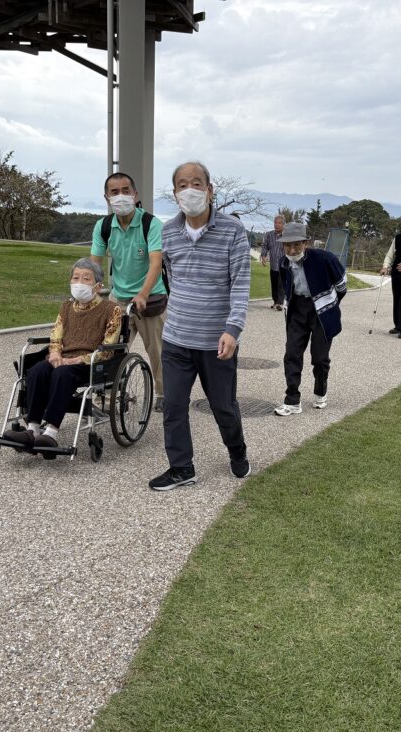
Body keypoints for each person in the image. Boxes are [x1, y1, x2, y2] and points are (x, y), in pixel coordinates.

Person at [149, 161, 252, 491]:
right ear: (175, 193)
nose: (189, 189)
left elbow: (240, 283)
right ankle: (182, 468)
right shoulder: (168, 232)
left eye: (196, 183)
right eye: (182, 184)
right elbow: (170, 278)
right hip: (177, 339)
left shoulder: (233, 232)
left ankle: (237, 451)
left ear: (210, 191)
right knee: (173, 407)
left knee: (224, 407)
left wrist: (233, 329)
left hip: (216, 343)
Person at [2, 259, 121, 458]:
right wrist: (56, 353)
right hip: (62, 358)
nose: (79, 282)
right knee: (38, 370)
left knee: (62, 374)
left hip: (89, 362)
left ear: (98, 285)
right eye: (75, 278)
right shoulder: (66, 307)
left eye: (86, 279)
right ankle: (32, 429)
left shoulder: (111, 309)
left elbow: (108, 349)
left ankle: (51, 432)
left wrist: (76, 360)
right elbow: (55, 335)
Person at [90, 172, 167, 411]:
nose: (120, 196)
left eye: (126, 191)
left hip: (150, 298)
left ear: (135, 194)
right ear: (106, 198)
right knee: (110, 348)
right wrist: (91, 287)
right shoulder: (103, 226)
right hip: (118, 298)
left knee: (156, 350)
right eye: (114, 192)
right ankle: (108, 396)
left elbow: (156, 263)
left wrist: (143, 293)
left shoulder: (151, 224)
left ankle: (164, 394)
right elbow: (95, 263)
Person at [273, 223, 348, 416]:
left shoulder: (325, 259)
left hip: (322, 311)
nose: (291, 250)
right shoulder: (284, 262)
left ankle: (320, 392)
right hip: (297, 309)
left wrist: (329, 304)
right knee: (292, 354)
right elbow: (286, 285)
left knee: (320, 357)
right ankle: (292, 400)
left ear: (305, 243)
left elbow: (342, 285)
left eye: (296, 245)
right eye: (287, 245)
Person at [259, 215, 285, 310]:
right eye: (275, 223)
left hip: (284, 265)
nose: (276, 225)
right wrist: (263, 256)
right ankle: (275, 301)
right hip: (273, 265)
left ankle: (280, 303)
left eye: (279, 223)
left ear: (283, 225)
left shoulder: (287, 236)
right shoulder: (269, 235)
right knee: (274, 284)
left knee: (281, 284)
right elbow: (265, 246)